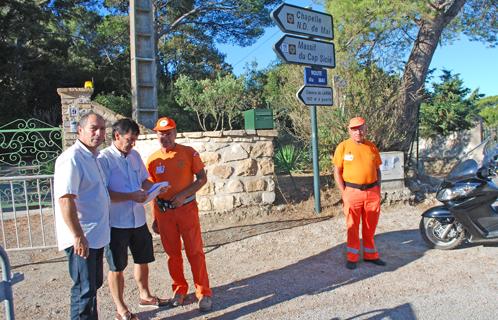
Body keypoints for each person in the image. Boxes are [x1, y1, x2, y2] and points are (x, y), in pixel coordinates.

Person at [99, 119, 168, 320]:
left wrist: (156, 187)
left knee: (143, 259)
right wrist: (130, 196)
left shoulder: (135, 156)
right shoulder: (104, 159)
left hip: (138, 219)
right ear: (117, 136)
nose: (133, 144)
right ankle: (121, 309)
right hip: (116, 223)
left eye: (135, 140)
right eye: (130, 140)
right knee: (117, 266)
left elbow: (144, 181)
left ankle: (145, 295)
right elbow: (104, 192)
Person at [146, 116, 213, 312]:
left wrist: (183, 196)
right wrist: (155, 218)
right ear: (156, 134)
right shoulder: (152, 160)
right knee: (172, 254)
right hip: (165, 213)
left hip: (187, 210)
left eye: (168, 133)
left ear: (175, 133)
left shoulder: (188, 153)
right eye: (161, 133)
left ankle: (204, 292)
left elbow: (202, 179)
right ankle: (179, 290)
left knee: (195, 252)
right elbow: (152, 191)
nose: (165, 137)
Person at [54, 112, 110, 319]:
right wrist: (77, 235)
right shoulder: (71, 159)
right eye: (93, 128)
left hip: (94, 236)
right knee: (83, 290)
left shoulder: (93, 157)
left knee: (93, 285)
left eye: (102, 129)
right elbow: (65, 199)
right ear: (80, 130)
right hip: (81, 238)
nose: (98, 133)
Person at [332, 116, 386, 270]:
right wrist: (344, 192)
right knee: (352, 226)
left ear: (365, 129)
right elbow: (337, 171)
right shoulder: (342, 147)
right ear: (349, 130)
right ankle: (352, 257)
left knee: (370, 226)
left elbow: (377, 170)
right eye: (354, 129)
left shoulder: (372, 147)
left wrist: (378, 189)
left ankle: (371, 255)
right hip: (352, 192)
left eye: (361, 128)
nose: (358, 131)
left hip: (372, 192)